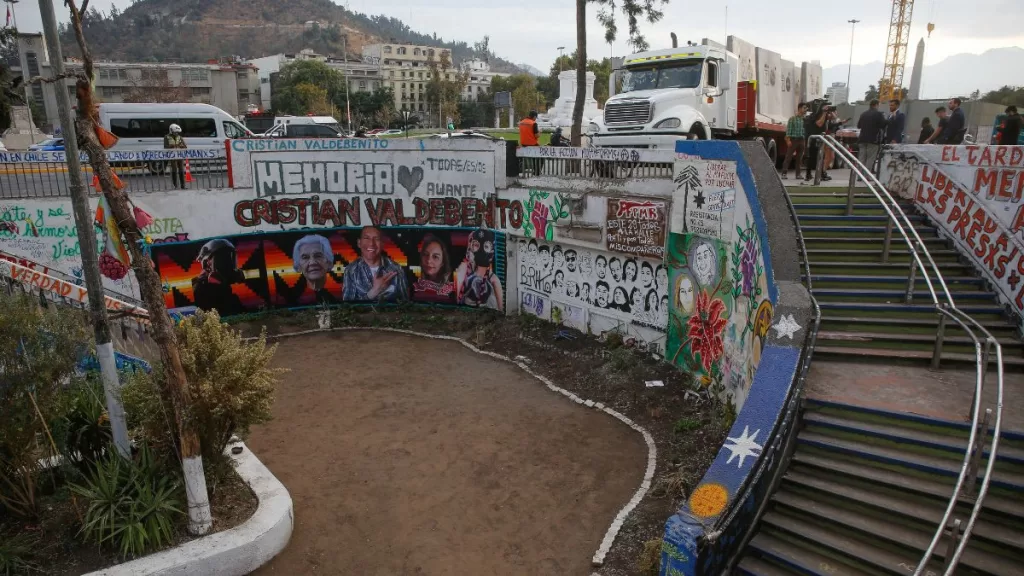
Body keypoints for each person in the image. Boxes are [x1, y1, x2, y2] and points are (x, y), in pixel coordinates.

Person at [342, 226, 408, 301]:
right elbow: (348, 307)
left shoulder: (396, 269)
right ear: (359, 243)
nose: (371, 243)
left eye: (376, 239)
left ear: (382, 244)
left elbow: (406, 305)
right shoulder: (351, 271)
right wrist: (373, 292)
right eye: (367, 238)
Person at [191, 238, 245, 317]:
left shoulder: (226, 284)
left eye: (229, 258)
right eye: (221, 259)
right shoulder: (200, 288)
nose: (227, 263)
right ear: (206, 263)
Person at [457, 229, 503, 311]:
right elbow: (457, 300)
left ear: (491, 250)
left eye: (486, 246)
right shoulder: (465, 270)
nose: (481, 250)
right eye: (476, 245)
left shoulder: (494, 280)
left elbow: (500, 310)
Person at [292, 234, 337, 304]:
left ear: (329, 263)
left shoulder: (343, 293)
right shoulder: (292, 299)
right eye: (305, 257)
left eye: (318, 256)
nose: (312, 262)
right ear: (299, 266)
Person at [412, 234, 454, 303]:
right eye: (425, 254)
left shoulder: (453, 291)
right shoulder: (413, 287)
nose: (428, 261)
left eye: (435, 257)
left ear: (443, 262)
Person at [856, 99, 887, 175]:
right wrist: (888, 120)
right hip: (873, 140)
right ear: (876, 105)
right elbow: (883, 125)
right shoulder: (879, 114)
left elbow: (858, 126)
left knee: (861, 158)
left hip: (862, 139)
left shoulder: (863, 114)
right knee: (870, 158)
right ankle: (866, 175)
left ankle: (859, 176)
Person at [781, 102, 807, 180]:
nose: (805, 110)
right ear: (799, 109)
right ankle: (784, 173)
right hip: (793, 140)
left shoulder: (805, 120)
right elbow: (788, 130)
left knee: (799, 158)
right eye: (804, 108)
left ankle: (798, 174)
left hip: (802, 140)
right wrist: (788, 140)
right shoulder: (792, 119)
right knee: (788, 157)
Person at [804, 103, 829, 181]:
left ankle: (819, 174)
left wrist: (829, 112)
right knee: (814, 158)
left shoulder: (818, 115)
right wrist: (824, 113)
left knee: (820, 157)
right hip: (814, 139)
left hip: (818, 139)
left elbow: (833, 119)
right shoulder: (813, 116)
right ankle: (811, 174)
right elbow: (819, 124)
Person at [163, 123, 187, 189]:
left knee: (181, 170)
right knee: (174, 170)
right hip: (172, 156)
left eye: (177, 132)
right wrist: (171, 146)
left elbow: (185, 146)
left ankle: (183, 185)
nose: (176, 134)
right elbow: (165, 147)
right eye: (175, 132)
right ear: (171, 131)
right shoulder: (166, 137)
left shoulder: (180, 137)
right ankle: (175, 185)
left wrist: (181, 146)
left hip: (180, 155)